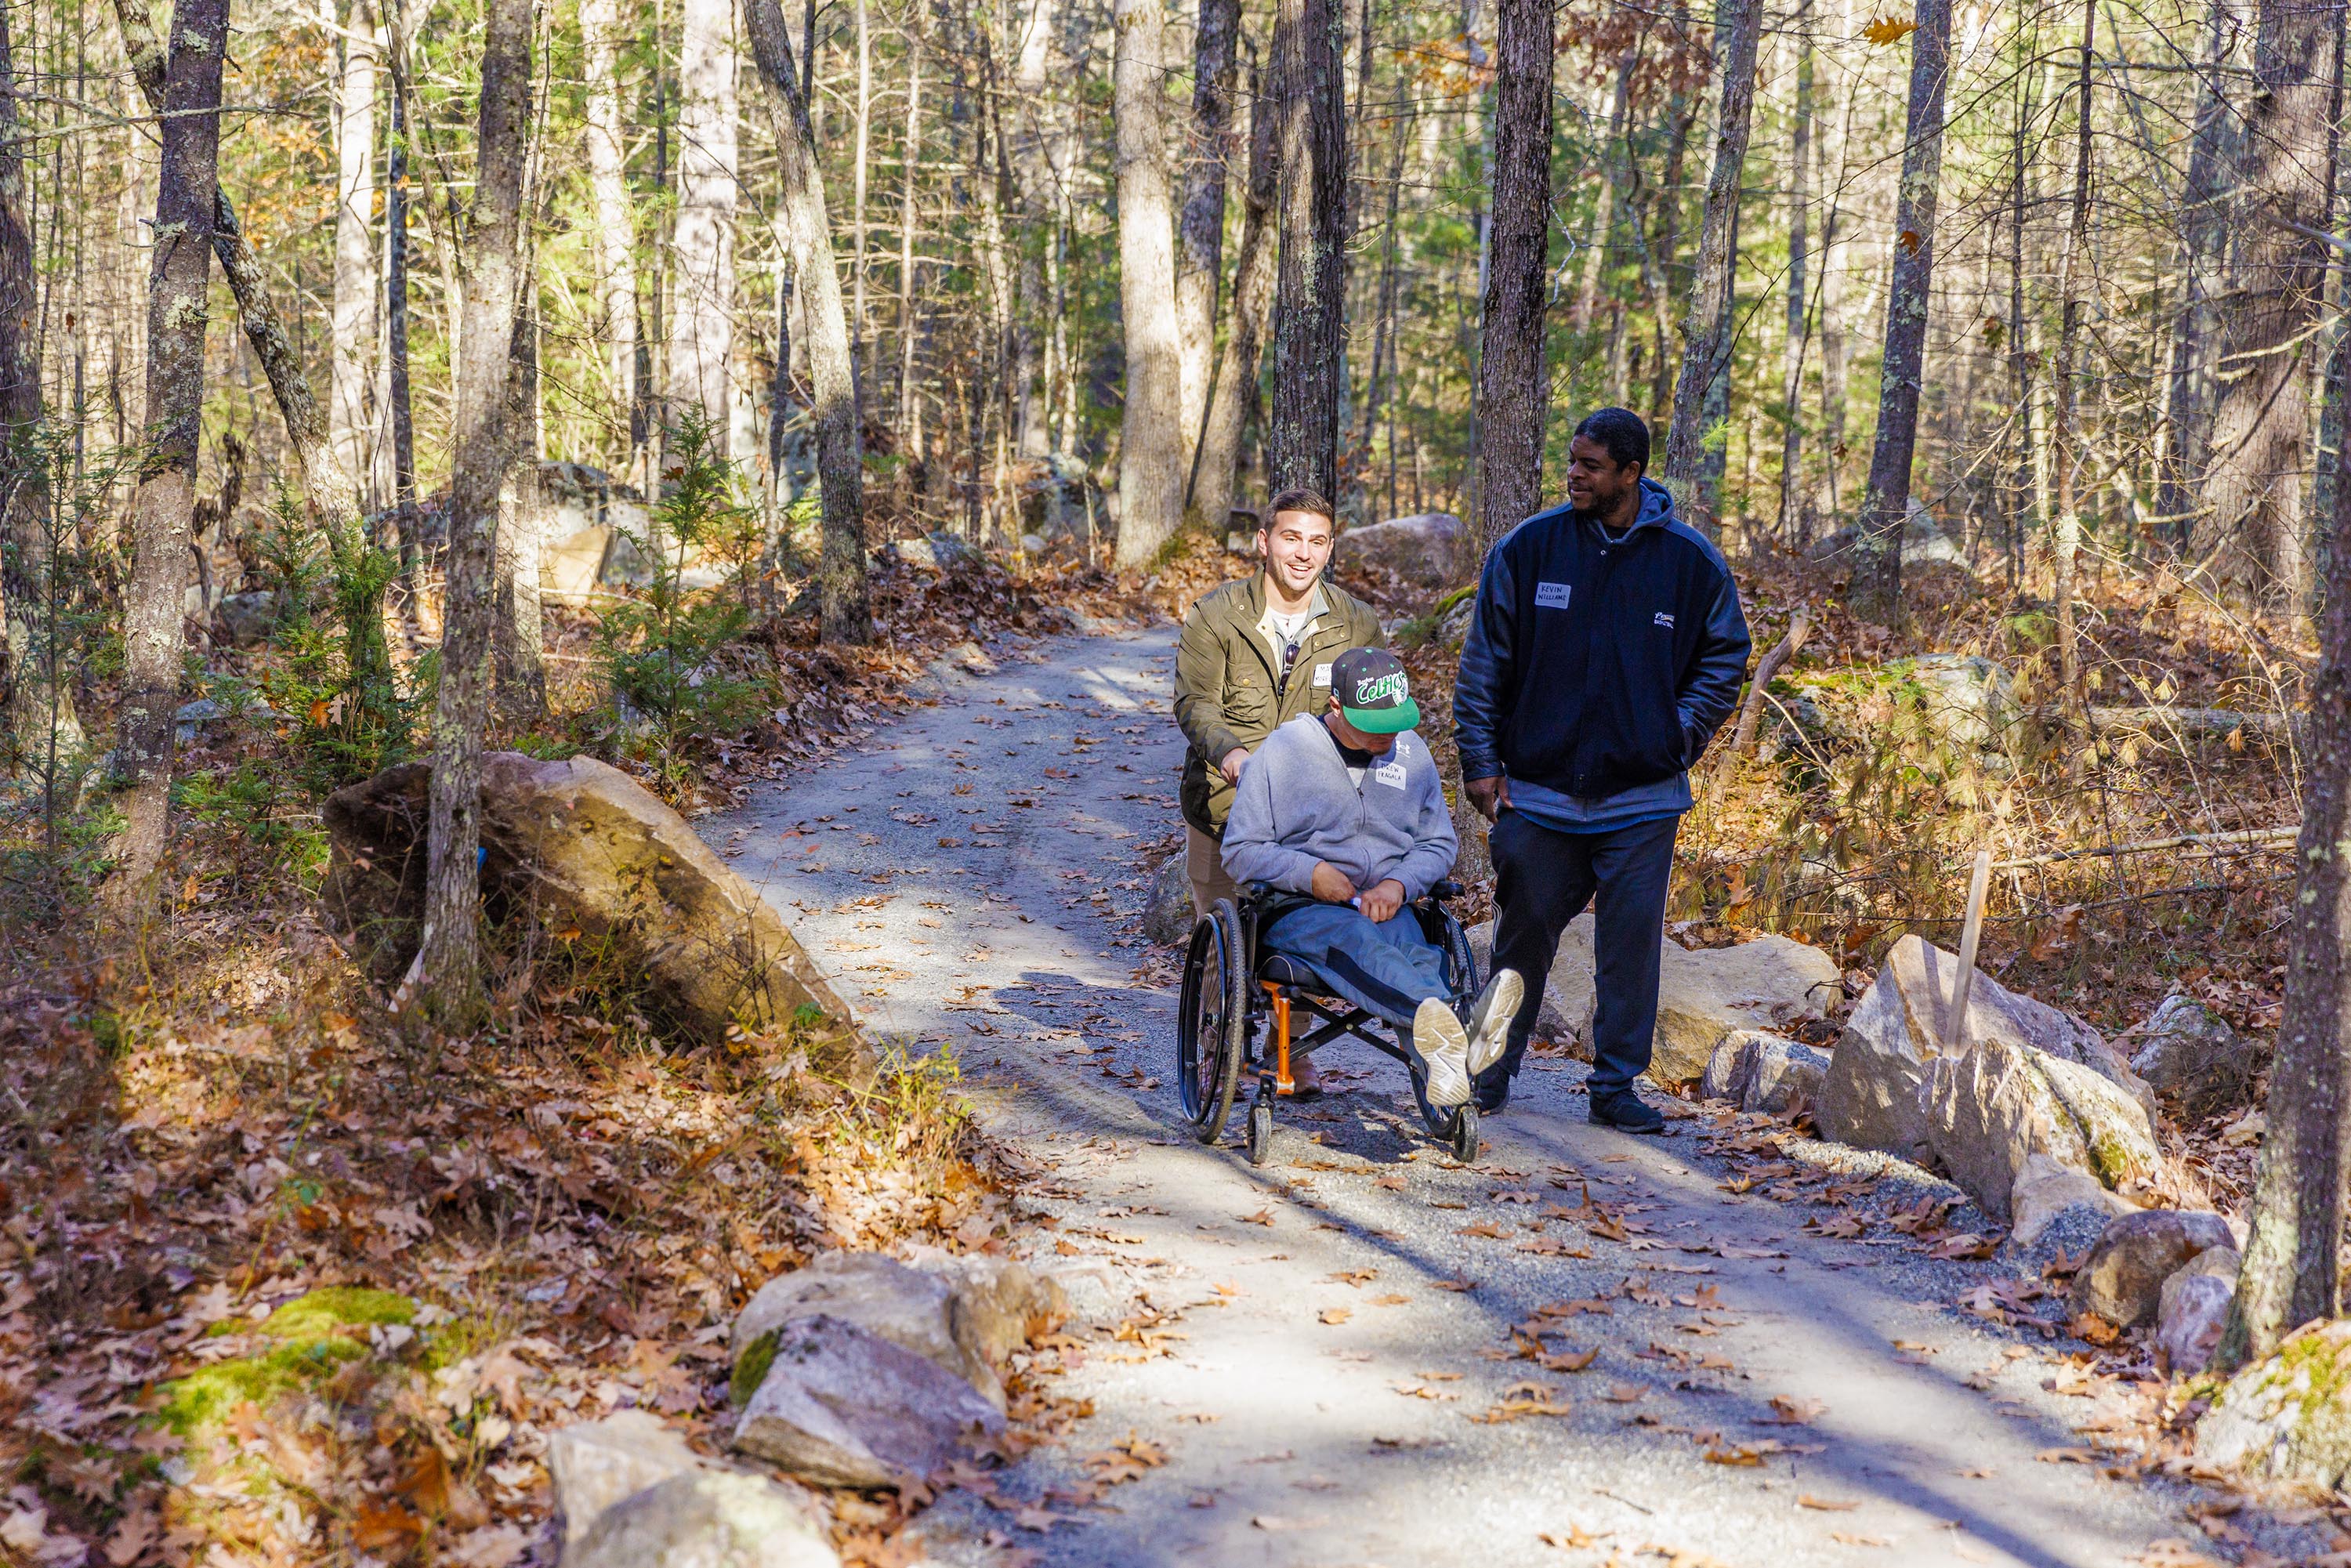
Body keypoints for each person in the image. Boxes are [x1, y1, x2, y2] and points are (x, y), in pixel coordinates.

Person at [1454, 407, 1751, 1133]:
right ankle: (1489, 1070)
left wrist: (1677, 734)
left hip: (1643, 798)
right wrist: (1480, 760)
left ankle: (1615, 1086)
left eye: (1590, 465)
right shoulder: (1530, 549)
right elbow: (1484, 660)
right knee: (1520, 939)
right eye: (1573, 461)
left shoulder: (1690, 562)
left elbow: (1725, 657)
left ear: (1630, 472)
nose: (1574, 474)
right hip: (1540, 792)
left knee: (1629, 950)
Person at [1222, 646, 1523, 1117]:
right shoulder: (1284, 752)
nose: (1388, 734)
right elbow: (1239, 850)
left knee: (1419, 953)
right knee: (1360, 941)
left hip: (1387, 903)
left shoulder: (1413, 754)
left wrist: (1400, 885)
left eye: (1395, 721)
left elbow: (1438, 844)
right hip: (1300, 908)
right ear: (1336, 707)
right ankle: (1463, 1030)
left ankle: (1446, 1060)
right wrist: (1311, 873)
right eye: (1374, 724)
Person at [1173, 489, 1381, 1094]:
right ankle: (1221, 1047)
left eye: (1318, 541)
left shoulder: (1356, 622)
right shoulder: (1216, 614)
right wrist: (1232, 753)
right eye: (1291, 537)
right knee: (1222, 926)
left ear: (1330, 549)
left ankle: (1291, 1047)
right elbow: (1194, 702)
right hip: (1224, 804)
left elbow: (1374, 708)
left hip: (1313, 814)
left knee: (1311, 920)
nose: (1303, 553)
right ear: (1263, 542)